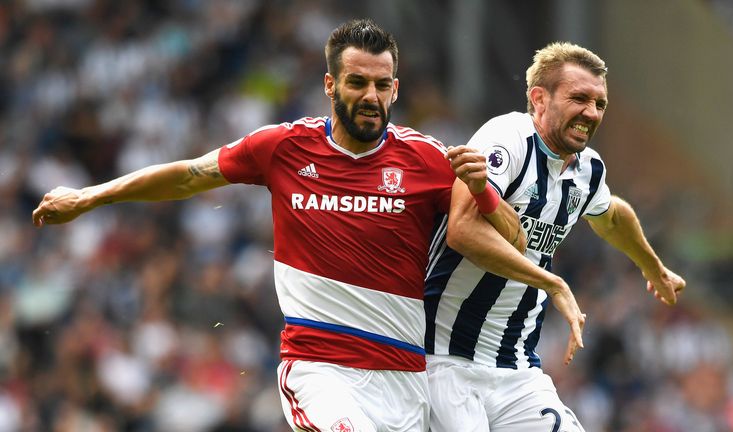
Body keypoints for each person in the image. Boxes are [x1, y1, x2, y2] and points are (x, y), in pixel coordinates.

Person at [31, 19, 585, 432]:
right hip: (322, 372)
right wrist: (89, 195)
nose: (370, 96)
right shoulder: (282, 148)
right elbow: (186, 176)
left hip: (408, 379)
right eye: (357, 82)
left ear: (395, 88)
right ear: (329, 84)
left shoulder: (427, 159)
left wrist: (484, 191)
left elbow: (511, 236)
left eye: (382, 84)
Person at [424, 41, 687, 431]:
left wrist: (654, 267)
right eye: (579, 98)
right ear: (539, 98)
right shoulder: (506, 137)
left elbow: (611, 216)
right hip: (444, 361)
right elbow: (463, 231)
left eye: (600, 104)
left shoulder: (589, 170)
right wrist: (554, 283)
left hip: (517, 368)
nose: (591, 113)